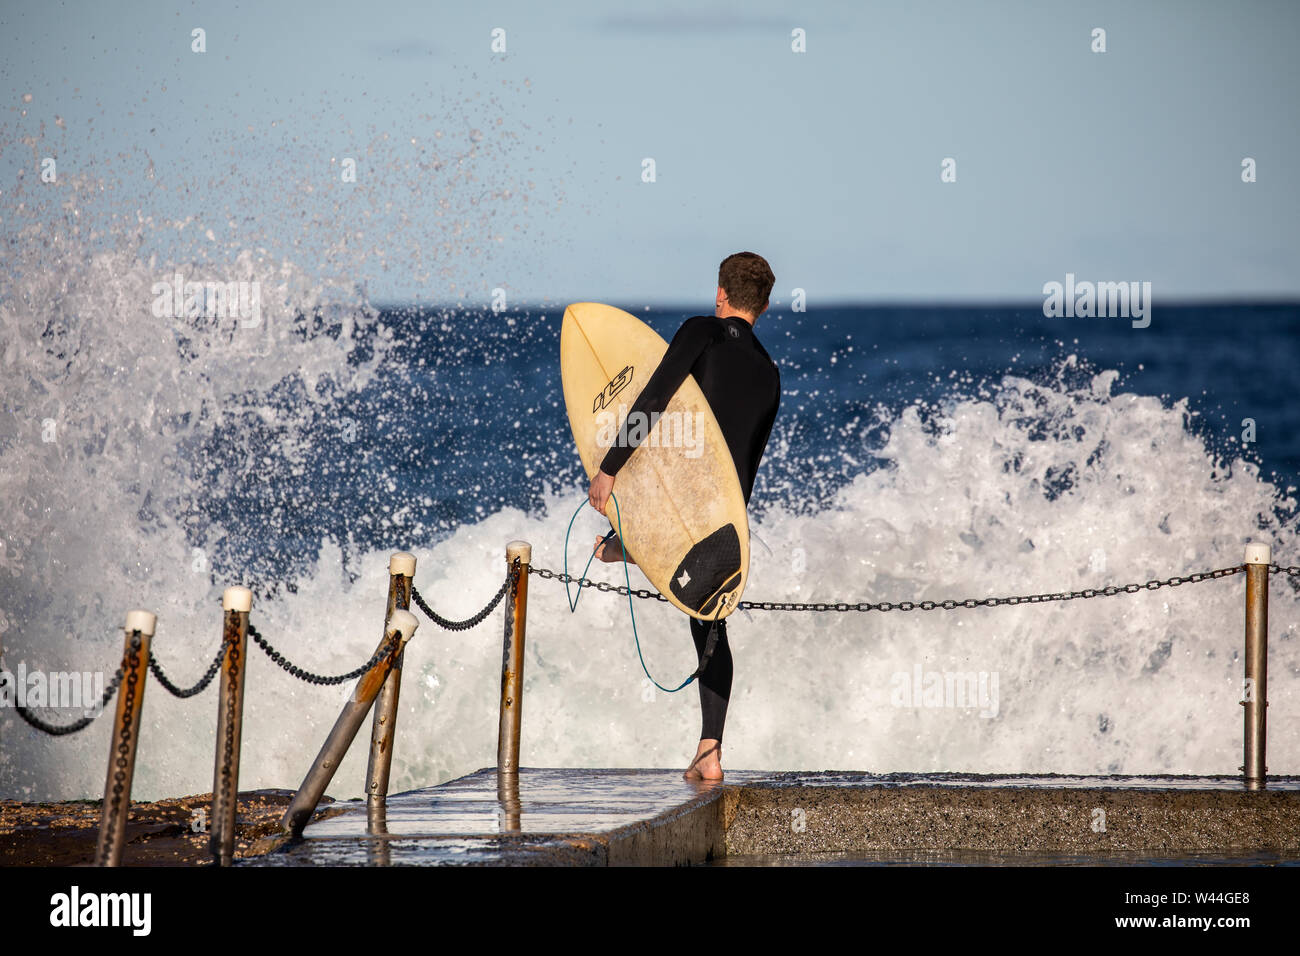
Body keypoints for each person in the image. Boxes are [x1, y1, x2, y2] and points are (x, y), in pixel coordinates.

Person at [587, 251, 781, 781]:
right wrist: (730, 529)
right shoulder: (770, 372)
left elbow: (653, 397)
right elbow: (746, 462)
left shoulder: (703, 331)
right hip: (723, 518)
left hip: (679, 500)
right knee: (710, 625)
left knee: (704, 623)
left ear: (721, 293)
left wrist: (609, 468)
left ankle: (635, 541)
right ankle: (710, 749)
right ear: (763, 305)